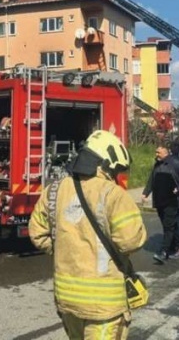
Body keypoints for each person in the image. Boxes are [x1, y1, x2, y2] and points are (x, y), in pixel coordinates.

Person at [29, 130, 147, 339]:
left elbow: (38, 234)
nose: (116, 175)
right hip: (104, 304)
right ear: (106, 164)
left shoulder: (54, 190)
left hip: (66, 297)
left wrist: (67, 250)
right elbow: (130, 242)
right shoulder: (114, 194)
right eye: (116, 169)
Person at [142, 144, 179, 262]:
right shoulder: (157, 164)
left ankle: (172, 250)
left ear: (165, 152)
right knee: (167, 225)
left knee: (172, 225)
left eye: (158, 153)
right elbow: (152, 180)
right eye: (156, 152)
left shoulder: (175, 163)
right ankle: (172, 247)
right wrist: (145, 193)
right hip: (160, 200)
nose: (156, 155)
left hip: (175, 201)